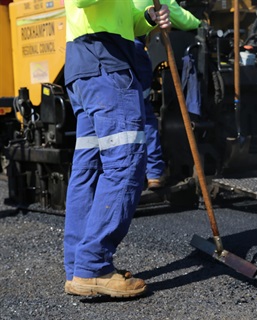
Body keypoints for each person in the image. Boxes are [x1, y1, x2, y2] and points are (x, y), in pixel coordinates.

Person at [63, 0, 171, 298]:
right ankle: (93, 266)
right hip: (105, 65)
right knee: (125, 165)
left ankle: (78, 266)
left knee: (89, 169)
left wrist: (147, 18)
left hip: (91, 68)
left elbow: (123, 20)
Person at [132, 0, 200, 190]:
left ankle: (131, 175)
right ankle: (153, 173)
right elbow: (183, 19)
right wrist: (201, 24)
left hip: (104, 51)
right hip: (135, 49)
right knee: (143, 113)